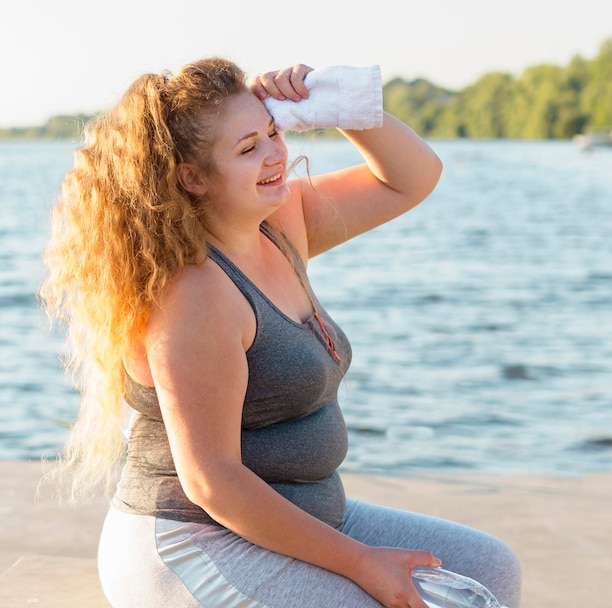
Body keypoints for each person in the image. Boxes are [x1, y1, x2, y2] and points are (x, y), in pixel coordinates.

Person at [41, 57, 521, 608]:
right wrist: (363, 564)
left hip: (305, 516)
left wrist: (342, 107)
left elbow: (412, 178)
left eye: (273, 132)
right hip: (192, 541)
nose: (275, 154)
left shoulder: (280, 220)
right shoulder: (196, 295)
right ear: (191, 177)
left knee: (491, 568)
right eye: (248, 149)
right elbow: (211, 482)